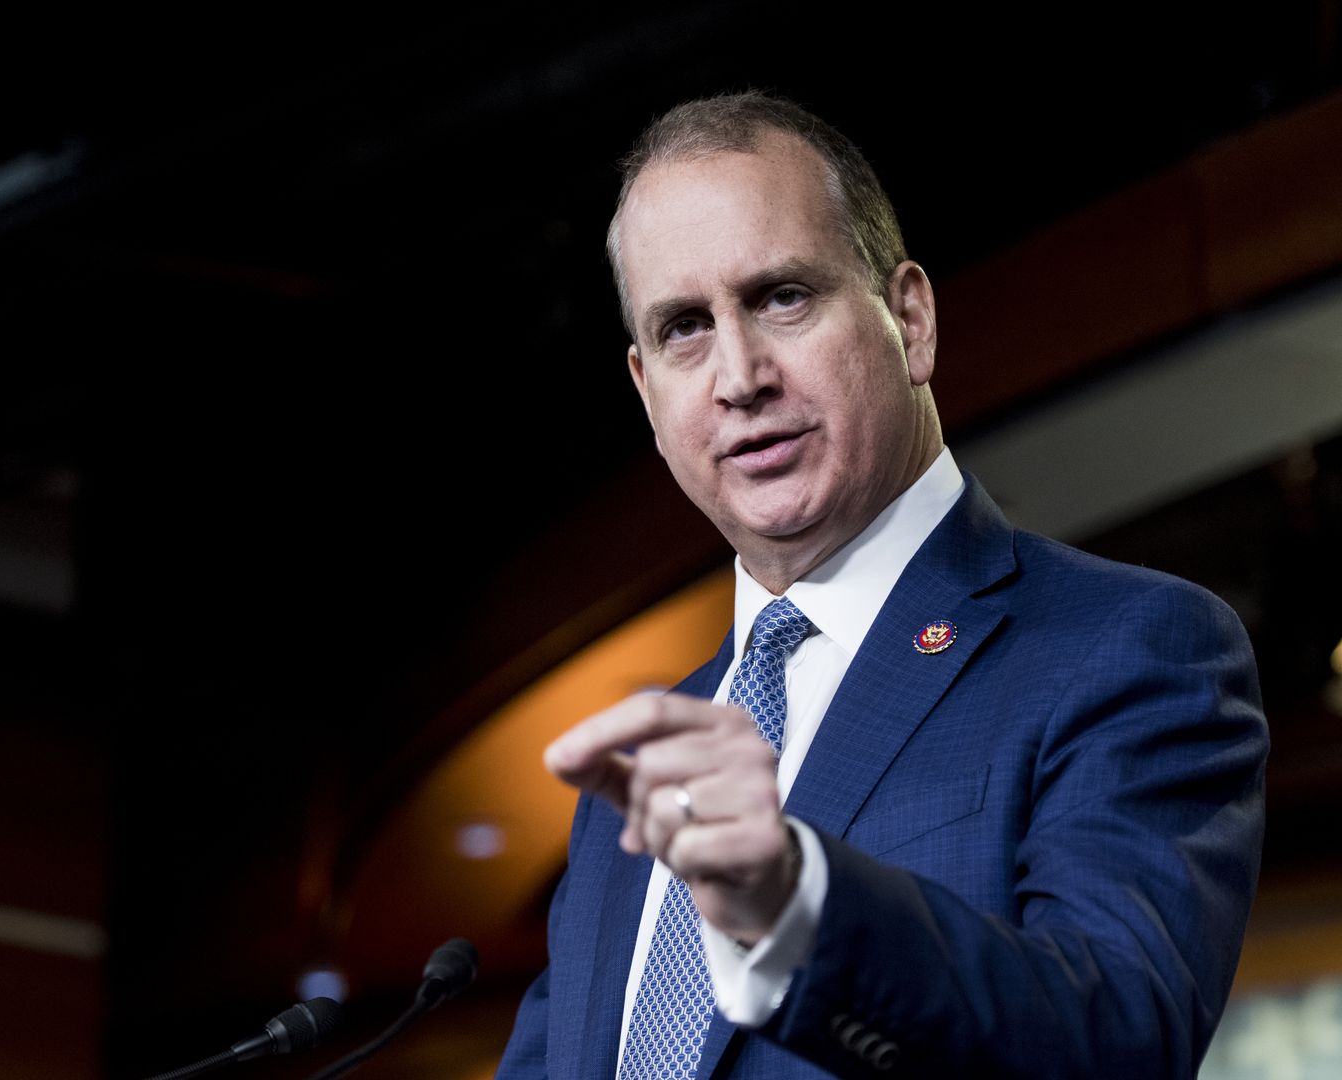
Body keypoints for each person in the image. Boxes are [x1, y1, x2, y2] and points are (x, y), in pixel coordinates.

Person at [497, 92, 1267, 1079]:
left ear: (911, 319)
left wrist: (794, 902)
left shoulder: (1128, 649)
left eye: (782, 296)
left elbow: (1113, 1041)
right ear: (649, 394)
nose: (739, 374)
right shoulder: (636, 786)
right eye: (686, 326)